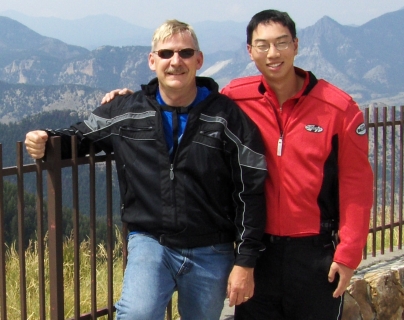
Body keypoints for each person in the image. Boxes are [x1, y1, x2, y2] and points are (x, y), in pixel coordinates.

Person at [102, 9, 374, 320]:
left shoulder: (338, 108)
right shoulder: (236, 100)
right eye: (262, 45)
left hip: (314, 251)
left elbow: (356, 184)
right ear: (250, 51)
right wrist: (128, 99)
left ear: (296, 46)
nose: (273, 53)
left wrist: (349, 252)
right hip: (259, 252)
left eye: (281, 43)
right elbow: (188, 94)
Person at [24, 19, 267, 320]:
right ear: (152, 61)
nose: (175, 61)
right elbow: (80, 137)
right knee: (136, 314)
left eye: (185, 53)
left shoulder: (227, 118)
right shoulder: (126, 110)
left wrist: (245, 262)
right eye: (166, 54)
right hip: (151, 242)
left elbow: (251, 192)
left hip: (212, 248)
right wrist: (46, 139)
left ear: (199, 60)